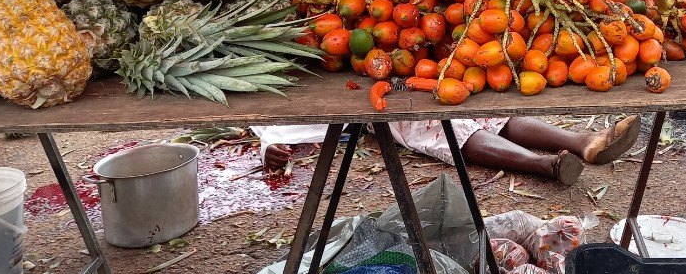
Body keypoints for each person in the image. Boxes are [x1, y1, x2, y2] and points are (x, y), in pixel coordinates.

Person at [256, 115, 642, 186]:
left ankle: (582, 142)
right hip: (384, 103)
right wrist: (270, 146)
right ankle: (546, 165)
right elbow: (269, 123)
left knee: (486, 111)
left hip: (415, 66)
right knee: (443, 126)